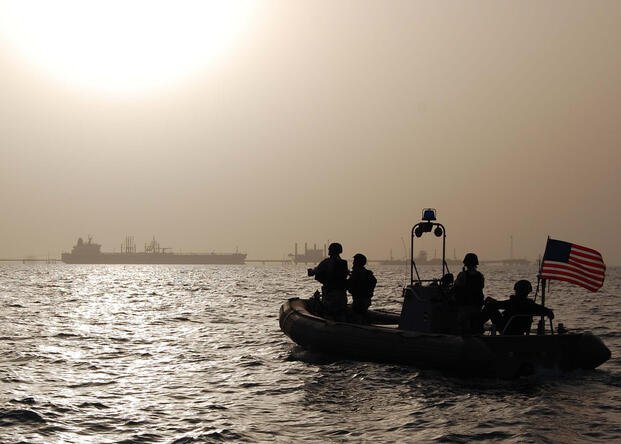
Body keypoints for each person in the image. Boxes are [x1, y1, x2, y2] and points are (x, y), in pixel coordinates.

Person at [481, 279, 554, 335]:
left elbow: (499, 304)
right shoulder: (530, 304)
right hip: (520, 330)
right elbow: (543, 310)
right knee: (491, 305)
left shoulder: (513, 302)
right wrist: (549, 312)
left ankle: (477, 326)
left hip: (507, 328)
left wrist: (490, 301)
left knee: (489, 307)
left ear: (517, 290)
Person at [308, 242, 349, 318]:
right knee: (341, 314)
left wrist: (311, 271)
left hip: (330, 295)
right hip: (342, 295)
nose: (328, 251)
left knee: (328, 314)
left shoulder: (327, 262)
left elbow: (314, 272)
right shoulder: (343, 263)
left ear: (331, 251)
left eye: (329, 249)